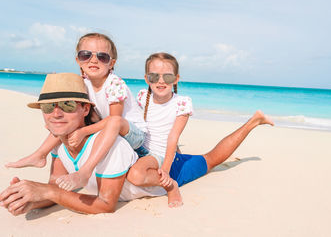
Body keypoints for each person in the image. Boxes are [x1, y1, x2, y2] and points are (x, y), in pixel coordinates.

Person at [0, 73, 273, 215]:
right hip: (146, 159)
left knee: (211, 159)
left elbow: (105, 205)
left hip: (160, 176)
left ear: (85, 109)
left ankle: (252, 122)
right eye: (49, 106)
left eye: (67, 104)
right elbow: (55, 190)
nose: (56, 113)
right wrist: (29, 198)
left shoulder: (111, 146)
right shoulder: (59, 146)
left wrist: (47, 193)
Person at [6, 33, 147, 192]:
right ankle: (40, 154)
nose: (93, 60)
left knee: (113, 121)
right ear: (78, 60)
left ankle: (85, 172)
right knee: (67, 122)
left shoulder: (114, 83)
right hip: (107, 129)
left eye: (102, 57)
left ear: (111, 63)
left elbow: (115, 119)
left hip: (134, 136)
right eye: (86, 55)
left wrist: (83, 131)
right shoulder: (83, 84)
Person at [127, 52, 191, 207]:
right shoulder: (143, 95)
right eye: (154, 77)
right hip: (139, 146)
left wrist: (166, 171)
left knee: (136, 175)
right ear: (147, 79)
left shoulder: (182, 103)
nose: (161, 81)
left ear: (176, 79)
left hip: (156, 153)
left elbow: (173, 138)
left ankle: (171, 186)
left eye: (167, 77)